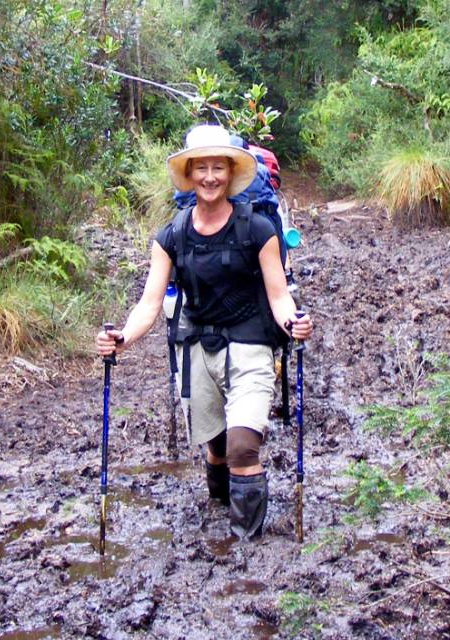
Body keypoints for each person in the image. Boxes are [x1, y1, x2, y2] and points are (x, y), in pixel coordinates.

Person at [95, 124, 313, 540]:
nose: (210, 177)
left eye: (218, 168)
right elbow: (149, 303)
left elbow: (279, 296)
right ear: (189, 174)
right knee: (216, 447)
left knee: (242, 446)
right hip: (196, 348)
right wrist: (122, 338)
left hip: (250, 344)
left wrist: (294, 323)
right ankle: (221, 507)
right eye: (202, 168)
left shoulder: (258, 230)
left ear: (230, 173)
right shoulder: (172, 236)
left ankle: (246, 543)